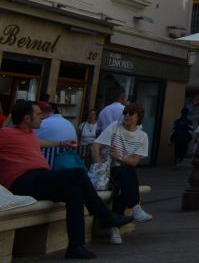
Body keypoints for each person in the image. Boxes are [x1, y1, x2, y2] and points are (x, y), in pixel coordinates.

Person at [1, 100, 133, 259]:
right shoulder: (6, 134)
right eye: (37, 114)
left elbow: (39, 143)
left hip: (39, 180)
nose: (41, 117)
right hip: (23, 181)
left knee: (75, 193)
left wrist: (61, 143)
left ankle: (76, 247)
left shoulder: (29, 134)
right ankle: (105, 216)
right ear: (27, 118)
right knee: (77, 173)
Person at [92, 102, 152, 245]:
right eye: (125, 112)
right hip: (109, 171)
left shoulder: (142, 136)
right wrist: (99, 166)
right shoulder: (115, 126)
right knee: (126, 173)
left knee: (121, 186)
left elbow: (134, 162)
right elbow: (95, 146)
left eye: (131, 113)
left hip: (123, 174)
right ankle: (136, 207)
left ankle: (114, 229)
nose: (126, 115)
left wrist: (118, 157)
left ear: (139, 117)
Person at [37, 102, 79, 166]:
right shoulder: (69, 123)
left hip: (49, 165)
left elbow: (32, 142)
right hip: (69, 164)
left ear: (49, 112)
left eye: (40, 113)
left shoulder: (43, 123)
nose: (40, 117)